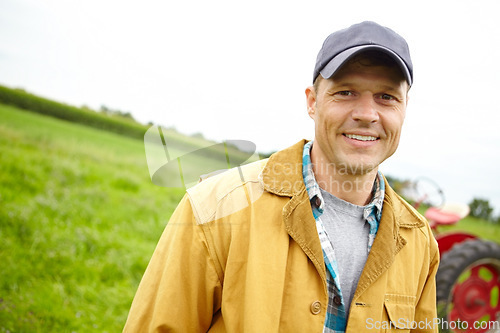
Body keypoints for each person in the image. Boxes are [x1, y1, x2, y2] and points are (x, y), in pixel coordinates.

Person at [123, 21, 439, 332]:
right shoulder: (216, 207)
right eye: (346, 92)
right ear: (312, 102)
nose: (367, 114)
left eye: (386, 97)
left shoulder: (419, 241)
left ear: (405, 108)